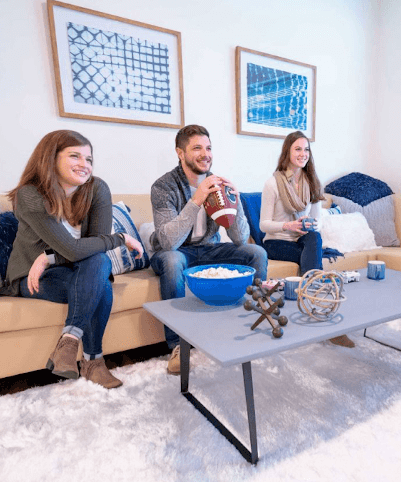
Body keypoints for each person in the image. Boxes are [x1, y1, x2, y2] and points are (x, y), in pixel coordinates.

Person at [5, 130, 144, 389]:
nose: (85, 164)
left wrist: (47, 256)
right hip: (32, 278)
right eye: (75, 156)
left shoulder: (97, 189)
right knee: (100, 281)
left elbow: (91, 249)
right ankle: (93, 362)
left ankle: (69, 343)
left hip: (76, 269)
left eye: (89, 159)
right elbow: (72, 249)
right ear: (51, 158)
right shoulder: (30, 195)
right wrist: (120, 238)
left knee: (100, 263)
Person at [150, 124, 268, 374]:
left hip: (209, 249)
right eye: (197, 148)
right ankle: (177, 345)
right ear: (180, 153)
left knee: (256, 253)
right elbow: (169, 242)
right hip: (176, 252)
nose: (206, 154)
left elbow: (241, 238)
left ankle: (252, 324)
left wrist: (235, 203)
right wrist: (196, 200)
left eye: (209, 148)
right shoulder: (163, 187)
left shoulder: (218, 184)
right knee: (171, 260)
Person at [260, 131, 354, 348]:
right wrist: (288, 225)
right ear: (288, 152)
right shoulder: (273, 184)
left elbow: (317, 222)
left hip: (301, 239)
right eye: (298, 149)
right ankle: (324, 314)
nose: (303, 154)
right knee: (313, 259)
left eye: (306, 149)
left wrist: (308, 224)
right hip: (276, 242)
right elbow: (263, 224)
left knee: (314, 237)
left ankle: (314, 309)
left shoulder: (312, 183)